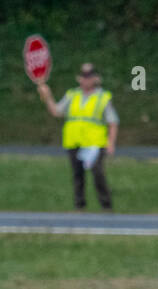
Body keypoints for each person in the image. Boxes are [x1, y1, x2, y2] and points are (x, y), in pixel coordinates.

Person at [37, 62, 118, 211]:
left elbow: (112, 121)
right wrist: (47, 96)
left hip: (94, 142)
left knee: (98, 173)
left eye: (90, 76)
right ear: (79, 78)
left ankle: (106, 206)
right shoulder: (72, 94)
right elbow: (56, 111)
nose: (86, 80)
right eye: (84, 76)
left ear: (96, 78)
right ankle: (79, 206)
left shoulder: (103, 97)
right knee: (77, 175)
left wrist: (111, 142)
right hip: (74, 141)